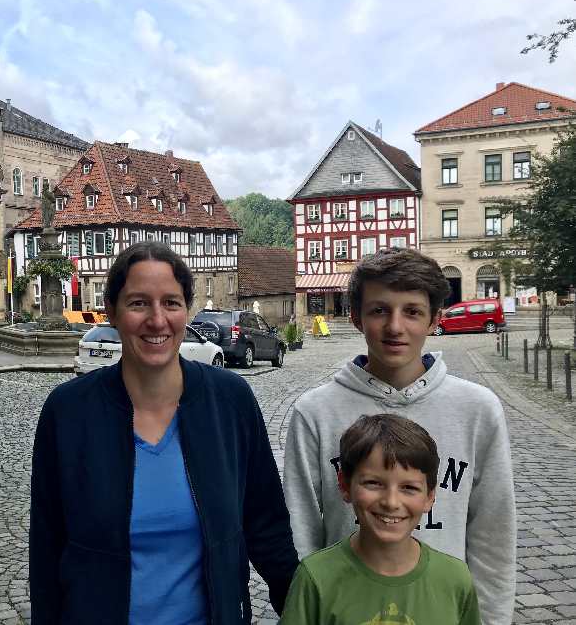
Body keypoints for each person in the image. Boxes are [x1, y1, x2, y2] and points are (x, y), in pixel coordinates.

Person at [29, 241, 299, 625]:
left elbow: (266, 525)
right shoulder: (69, 412)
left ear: (186, 310)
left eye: (171, 303)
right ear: (112, 312)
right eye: (139, 303)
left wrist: (301, 604)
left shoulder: (230, 402)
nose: (157, 320)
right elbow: (46, 547)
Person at [283, 247, 515, 625]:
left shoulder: (477, 409)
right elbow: (302, 530)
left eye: (412, 311)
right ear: (357, 317)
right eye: (379, 310)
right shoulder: (315, 412)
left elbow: (493, 532)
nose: (395, 326)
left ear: (434, 319)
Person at [280, 414, 481, 625]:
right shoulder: (315, 578)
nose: (391, 502)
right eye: (374, 483)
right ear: (345, 485)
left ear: (430, 496)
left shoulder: (455, 580)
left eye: (409, 487)